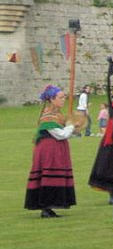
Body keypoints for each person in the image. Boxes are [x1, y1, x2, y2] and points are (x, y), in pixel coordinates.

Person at [24, 85, 77, 218]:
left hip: (55, 148)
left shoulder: (57, 114)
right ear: (52, 99)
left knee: (52, 174)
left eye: (64, 97)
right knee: (49, 174)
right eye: (60, 97)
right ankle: (46, 207)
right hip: (49, 150)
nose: (63, 99)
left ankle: (49, 206)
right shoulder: (48, 115)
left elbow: (64, 133)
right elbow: (60, 134)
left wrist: (71, 127)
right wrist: (70, 126)